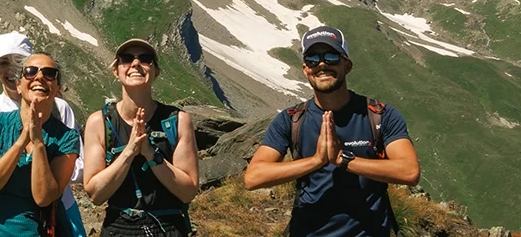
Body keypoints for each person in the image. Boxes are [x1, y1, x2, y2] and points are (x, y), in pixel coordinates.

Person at [242, 26, 420, 236]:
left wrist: (342, 160)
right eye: (312, 58)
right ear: (305, 69)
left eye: (331, 56)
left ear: (348, 65)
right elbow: (253, 178)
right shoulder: (291, 119)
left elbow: (410, 171)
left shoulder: (380, 115)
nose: (322, 64)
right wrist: (316, 160)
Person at [0, 33, 88, 237]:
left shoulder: (66, 133)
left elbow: (45, 197)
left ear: (58, 87)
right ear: (19, 83)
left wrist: (38, 143)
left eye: (49, 73)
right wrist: (22, 140)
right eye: (30, 71)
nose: (39, 77)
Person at [82, 39, 199, 236]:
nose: (135, 64)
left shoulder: (178, 121)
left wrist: (150, 154)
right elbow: (95, 194)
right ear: (116, 71)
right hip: (119, 227)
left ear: (156, 72)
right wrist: (130, 151)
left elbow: (188, 192)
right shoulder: (99, 122)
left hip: (168, 226)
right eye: (126, 59)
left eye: (145, 59)